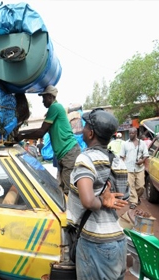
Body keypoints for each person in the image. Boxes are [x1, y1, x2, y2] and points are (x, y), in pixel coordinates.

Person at [67, 108, 129, 280]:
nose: (83, 129)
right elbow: (124, 201)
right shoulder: (118, 162)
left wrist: (101, 200)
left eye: (85, 126)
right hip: (118, 241)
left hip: (96, 243)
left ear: (91, 133)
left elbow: (88, 201)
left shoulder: (85, 159)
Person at [16, 85, 81, 194]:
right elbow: (41, 130)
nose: (42, 101)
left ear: (50, 97)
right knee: (62, 188)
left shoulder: (55, 108)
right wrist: (22, 133)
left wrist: (22, 136)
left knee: (68, 192)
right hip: (65, 154)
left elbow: (41, 131)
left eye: (44, 98)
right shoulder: (56, 109)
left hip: (68, 152)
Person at [120, 127, 149, 209]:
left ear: (136, 133)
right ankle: (133, 202)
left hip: (139, 168)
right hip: (128, 168)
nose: (130, 135)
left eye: (132, 133)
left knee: (141, 186)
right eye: (129, 133)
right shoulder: (125, 144)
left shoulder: (142, 143)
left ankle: (137, 197)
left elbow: (146, 155)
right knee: (130, 185)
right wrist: (121, 166)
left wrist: (142, 161)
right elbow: (122, 156)